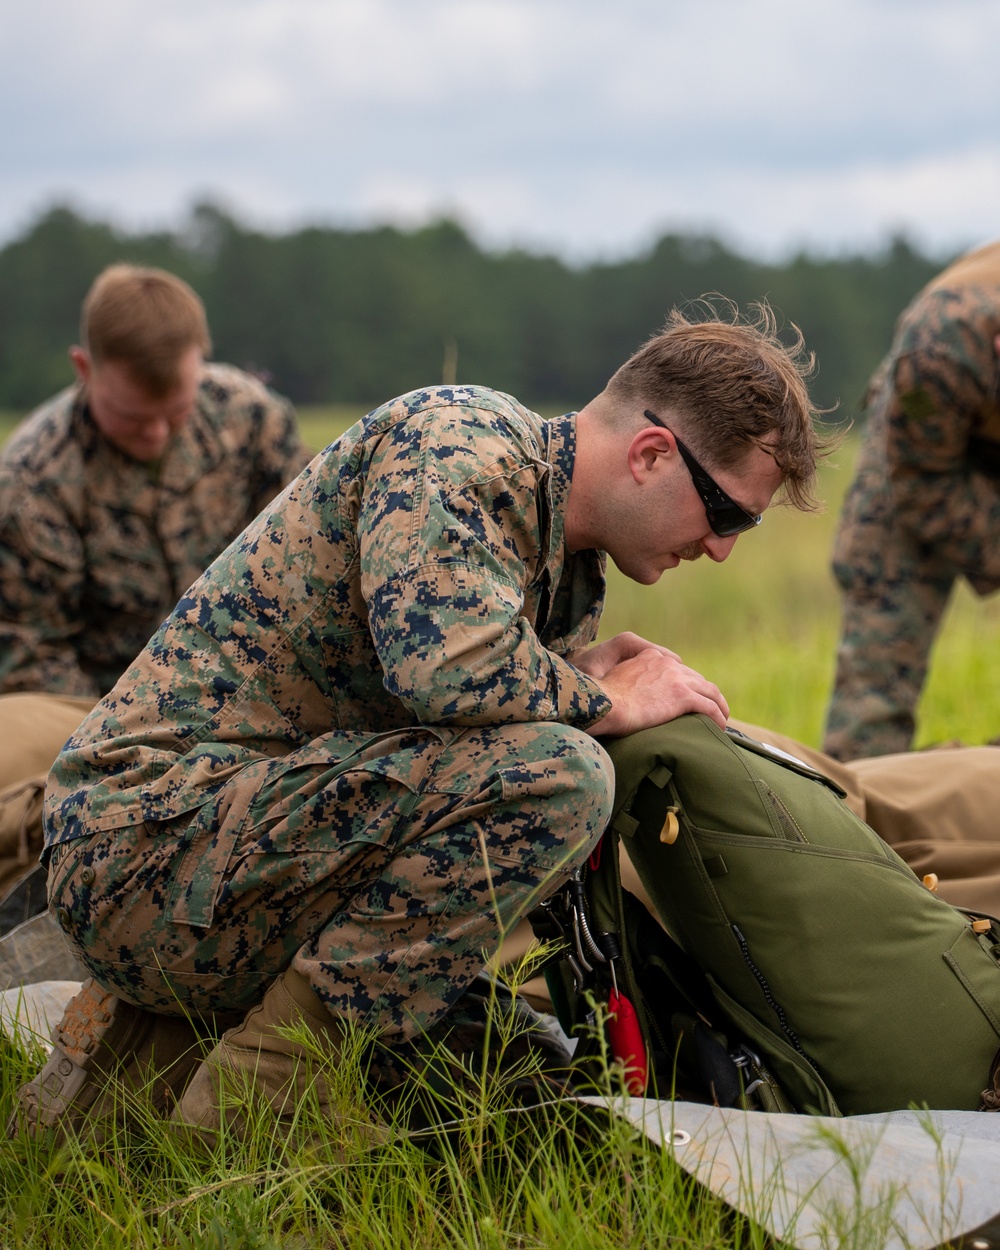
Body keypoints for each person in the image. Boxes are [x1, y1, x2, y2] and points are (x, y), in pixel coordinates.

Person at [15, 304, 824, 1138]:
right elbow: (446, 670)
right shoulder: (462, 443)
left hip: (224, 857)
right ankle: (267, 1096)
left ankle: (181, 1074)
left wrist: (571, 679)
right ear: (653, 454)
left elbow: (449, 710)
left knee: (511, 1059)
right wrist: (603, 699)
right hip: (140, 848)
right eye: (727, 516)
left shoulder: (564, 560)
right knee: (562, 774)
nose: (723, 549)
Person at [0, 264, 310, 927]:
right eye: (135, 419)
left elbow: (310, 577)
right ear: (84, 367)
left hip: (260, 705)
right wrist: (136, 754)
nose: (159, 436)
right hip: (101, 721)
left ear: (203, 360)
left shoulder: (254, 424)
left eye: (176, 413)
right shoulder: (33, 480)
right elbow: (32, 654)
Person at [823, 239, 1000, 761]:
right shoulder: (940, 347)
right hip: (921, 461)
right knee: (878, 673)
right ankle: (860, 819)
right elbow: (922, 485)